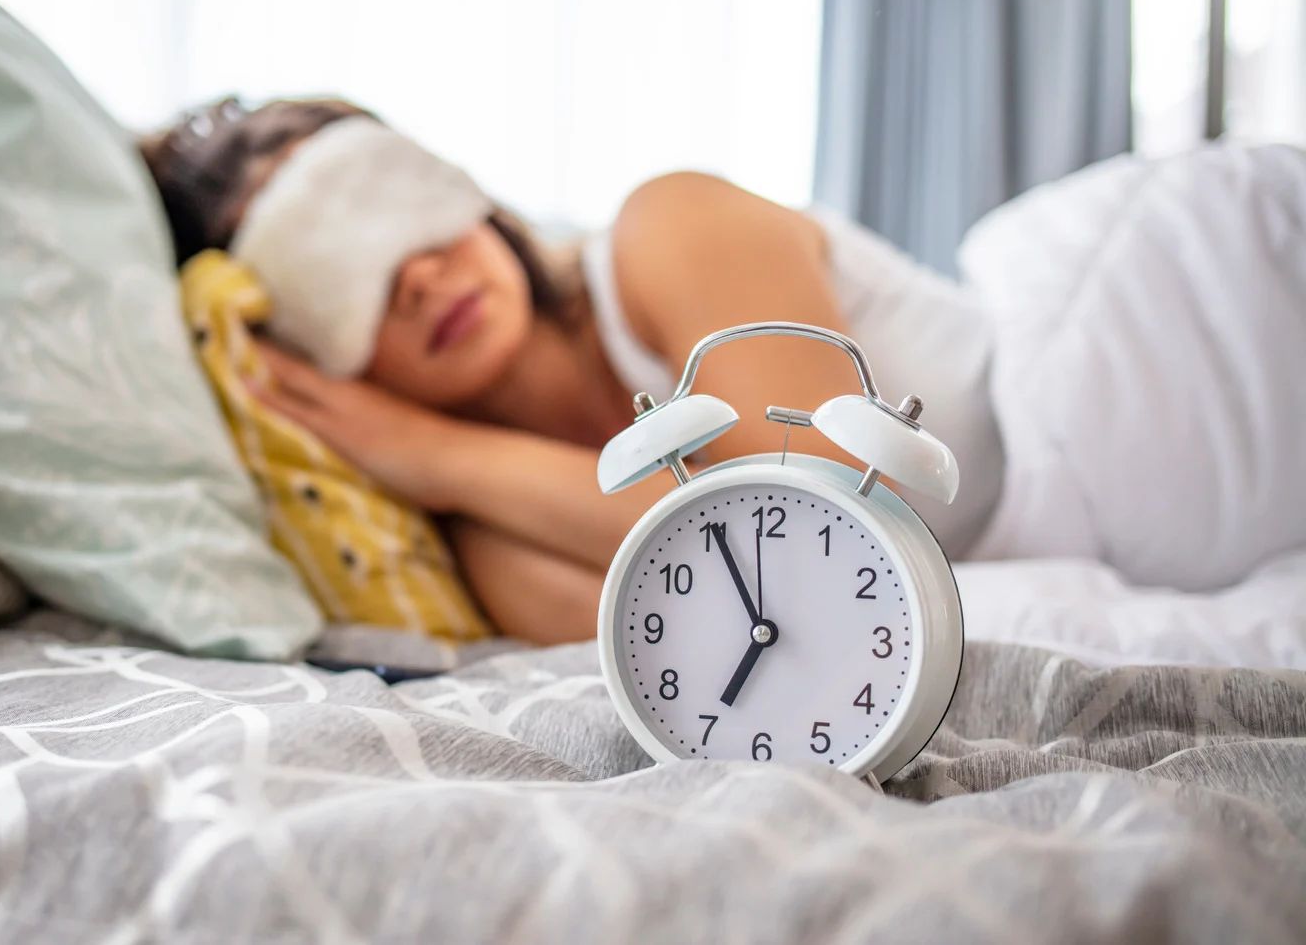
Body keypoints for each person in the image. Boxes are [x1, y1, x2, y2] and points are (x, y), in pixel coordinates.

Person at [142, 95, 1306, 642]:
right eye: (326, 280)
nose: (408, 274)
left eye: (377, 200)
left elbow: (809, 520)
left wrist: (432, 451)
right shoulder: (494, 534)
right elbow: (786, 636)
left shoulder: (664, 227)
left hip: (1163, 364)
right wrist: (439, 477)